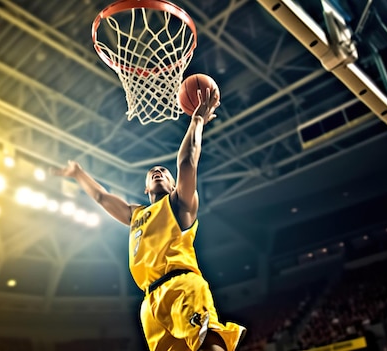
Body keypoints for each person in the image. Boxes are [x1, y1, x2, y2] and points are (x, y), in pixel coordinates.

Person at [53, 88, 246, 351]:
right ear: (145, 188)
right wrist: (78, 174)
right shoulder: (136, 214)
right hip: (150, 303)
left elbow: (187, 163)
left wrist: (197, 121)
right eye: (153, 172)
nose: (158, 171)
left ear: (172, 183)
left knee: (207, 345)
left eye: (164, 172)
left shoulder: (180, 204)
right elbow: (101, 197)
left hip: (182, 286)